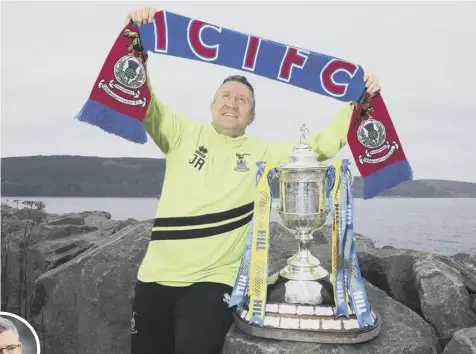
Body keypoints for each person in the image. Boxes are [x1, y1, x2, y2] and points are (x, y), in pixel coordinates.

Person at [126, 7, 381, 354]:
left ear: (252, 115)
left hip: (214, 279)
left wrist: (357, 102)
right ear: (213, 103)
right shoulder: (180, 131)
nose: (233, 103)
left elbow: (317, 147)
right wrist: (136, 43)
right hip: (156, 274)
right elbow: (144, 101)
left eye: (243, 100)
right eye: (227, 96)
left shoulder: (263, 152)